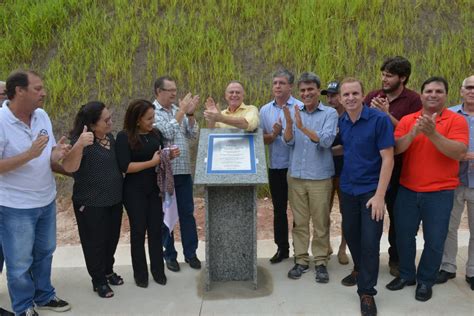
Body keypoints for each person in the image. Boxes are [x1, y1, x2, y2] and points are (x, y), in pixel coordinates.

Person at [387, 77, 468, 302]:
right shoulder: (407, 120)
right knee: (403, 236)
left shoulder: (456, 121)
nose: (433, 94)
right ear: (421, 95)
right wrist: (413, 132)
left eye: (438, 91)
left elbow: (458, 152)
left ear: (446, 95)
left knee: (434, 240)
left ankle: (425, 280)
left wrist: (432, 133)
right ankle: (406, 275)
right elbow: (396, 150)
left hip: (440, 193)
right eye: (428, 91)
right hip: (407, 190)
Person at [0, 71, 71, 315]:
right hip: (14, 206)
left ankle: (44, 295)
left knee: (45, 252)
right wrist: (29, 155)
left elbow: (48, 153)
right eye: (38, 88)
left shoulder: (41, 115)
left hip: (46, 199)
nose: (44, 93)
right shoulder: (1, 121)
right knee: (19, 264)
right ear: (19, 91)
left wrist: (58, 153)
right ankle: (23, 308)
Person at [338, 77, 394, 316]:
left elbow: (388, 158)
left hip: (371, 191)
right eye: (346, 95)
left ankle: (367, 292)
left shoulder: (379, 120)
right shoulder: (342, 121)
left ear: (363, 95)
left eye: (355, 93)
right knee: (352, 235)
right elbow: (345, 148)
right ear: (340, 98)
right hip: (348, 189)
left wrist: (380, 195)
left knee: (370, 241)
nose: (350, 98)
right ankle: (360, 269)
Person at [364, 56, 422, 277]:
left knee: (398, 218)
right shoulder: (372, 96)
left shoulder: (414, 101)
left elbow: (413, 134)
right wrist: (371, 114)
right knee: (371, 216)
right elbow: (363, 126)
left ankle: (396, 259)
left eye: (389, 75)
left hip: (401, 170)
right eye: (383, 74)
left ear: (403, 78)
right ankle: (367, 260)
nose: (383, 79)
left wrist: (386, 115)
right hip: (374, 168)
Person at [62, 101, 124, 298]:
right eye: (106, 120)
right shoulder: (81, 142)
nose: (110, 122)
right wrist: (79, 144)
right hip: (90, 203)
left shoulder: (111, 139)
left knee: (111, 239)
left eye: (110, 118)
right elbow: (69, 167)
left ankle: (108, 270)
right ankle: (98, 280)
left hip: (114, 200)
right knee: (94, 243)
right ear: (92, 124)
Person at [282, 72, 338, 283]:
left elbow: (325, 141)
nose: (306, 94)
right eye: (303, 90)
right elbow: (288, 142)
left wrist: (302, 127)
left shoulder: (330, 113)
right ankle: (301, 260)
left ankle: (321, 262)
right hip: (296, 176)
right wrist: (289, 124)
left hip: (320, 178)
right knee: (300, 222)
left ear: (317, 90)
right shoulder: (295, 111)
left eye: (310, 90)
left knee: (321, 222)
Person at [116, 99, 177, 288]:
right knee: (138, 231)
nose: (153, 121)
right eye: (149, 118)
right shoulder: (124, 137)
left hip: (154, 190)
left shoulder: (155, 134)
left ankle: (158, 271)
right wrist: (152, 163)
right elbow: (125, 166)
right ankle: (140, 274)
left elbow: (159, 155)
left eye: (153, 117)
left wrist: (169, 155)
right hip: (134, 191)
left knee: (156, 231)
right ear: (137, 120)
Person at [153, 76, 201, 272]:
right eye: (169, 90)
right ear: (158, 91)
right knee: (167, 216)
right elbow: (166, 134)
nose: (174, 93)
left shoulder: (175, 111)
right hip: (165, 174)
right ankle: (169, 255)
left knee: (187, 214)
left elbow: (193, 135)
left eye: (175, 89)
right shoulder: (153, 112)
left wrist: (190, 115)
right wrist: (181, 111)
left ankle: (191, 253)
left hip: (183, 172)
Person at [259, 69, 303, 264]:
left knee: (299, 211)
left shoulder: (301, 107)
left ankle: (299, 251)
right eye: (275, 82)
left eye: (282, 83)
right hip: (276, 166)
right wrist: (274, 134)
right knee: (279, 209)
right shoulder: (264, 110)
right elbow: (261, 140)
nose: (277, 86)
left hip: (297, 167)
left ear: (290, 86)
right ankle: (282, 249)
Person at [436, 75, 474, 290]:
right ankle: (448, 266)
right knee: (449, 227)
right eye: (469, 87)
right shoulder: (448, 114)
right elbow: (438, 144)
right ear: (461, 91)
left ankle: (472, 271)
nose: (472, 91)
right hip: (453, 180)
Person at [321, 80, 349, 266]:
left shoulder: (350, 116)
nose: (331, 99)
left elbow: (350, 146)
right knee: (323, 210)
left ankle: (342, 249)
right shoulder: (325, 116)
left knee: (346, 212)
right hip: (326, 170)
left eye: (334, 95)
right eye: (329, 96)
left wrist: (325, 150)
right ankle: (326, 244)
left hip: (346, 170)